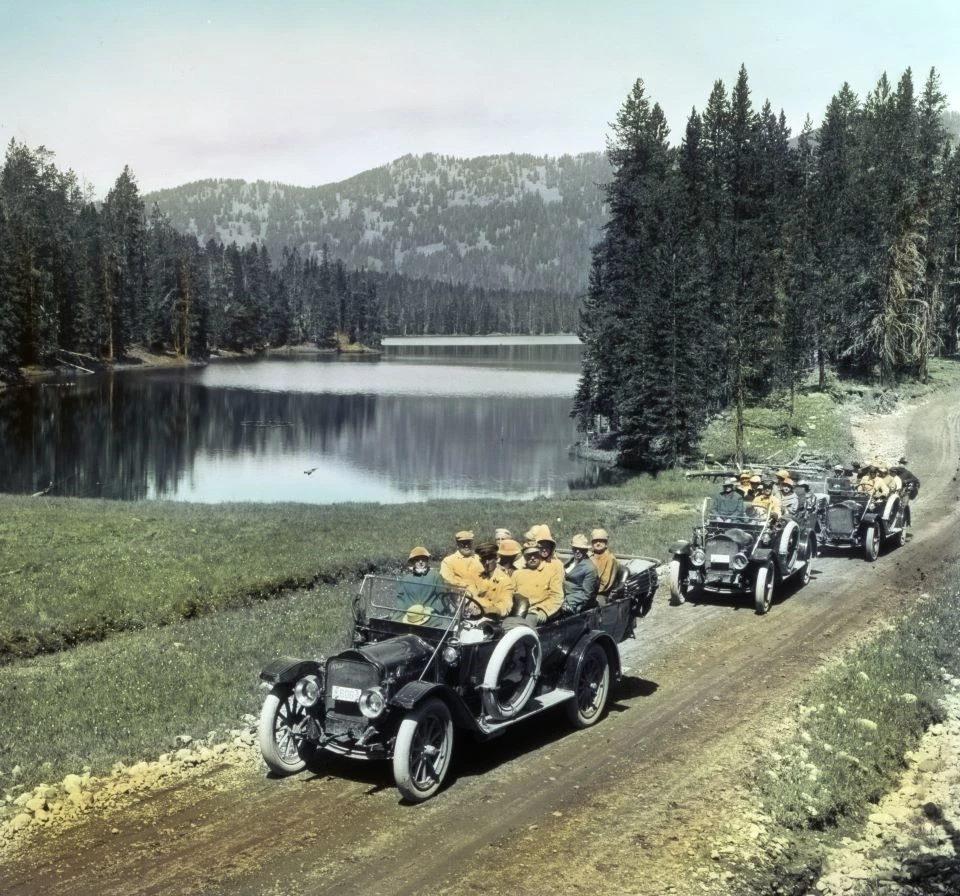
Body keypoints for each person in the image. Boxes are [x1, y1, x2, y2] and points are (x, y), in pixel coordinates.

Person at [512, 541, 564, 624]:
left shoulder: (551, 571)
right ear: (524, 557)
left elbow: (557, 596)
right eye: (529, 555)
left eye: (535, 554)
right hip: (519, 610)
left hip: (537, 611)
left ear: (539, 554)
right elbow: (510, 594)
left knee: (523, 624)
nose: (532, 558)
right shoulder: (517, 573)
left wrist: (544, 610)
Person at [396, 546, 446, 623]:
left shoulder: (435, 576)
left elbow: (443, 596)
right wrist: (406, 610)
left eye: (423, 559)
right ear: (412, 561)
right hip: (410, 616)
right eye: (417, 559)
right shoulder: (406, 579)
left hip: (430, 615)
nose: (420, 562)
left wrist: (433, 609)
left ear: (427, 560)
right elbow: (400, 598)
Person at [467, 541, 516, 618]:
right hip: (472, 615)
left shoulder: (505, 581)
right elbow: (469, 593)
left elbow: (505, 606)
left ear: (496, 559)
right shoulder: (477, 577)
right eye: (484, 559)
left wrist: (485, 610)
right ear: (480, 561)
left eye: (489, 559)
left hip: (491, 618)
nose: (487, 562)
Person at [563, 534, 599, 613]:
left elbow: (587, 595)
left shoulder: (590, 569)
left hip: (571, 601)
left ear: (586, 550)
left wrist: (566, 601)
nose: (577, 551)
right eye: (575, 548)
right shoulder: (571, 561)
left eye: (581, 549)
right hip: (560, 594)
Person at [589, 528, 618, 599]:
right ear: (592, 543)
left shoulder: (610, 559)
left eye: (601, 541)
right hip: (588, 590)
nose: (598, 543)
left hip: (601, 594)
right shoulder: (590, 556)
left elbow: (605, 584)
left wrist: (589, 592)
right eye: (595, 541)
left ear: (606, 543)